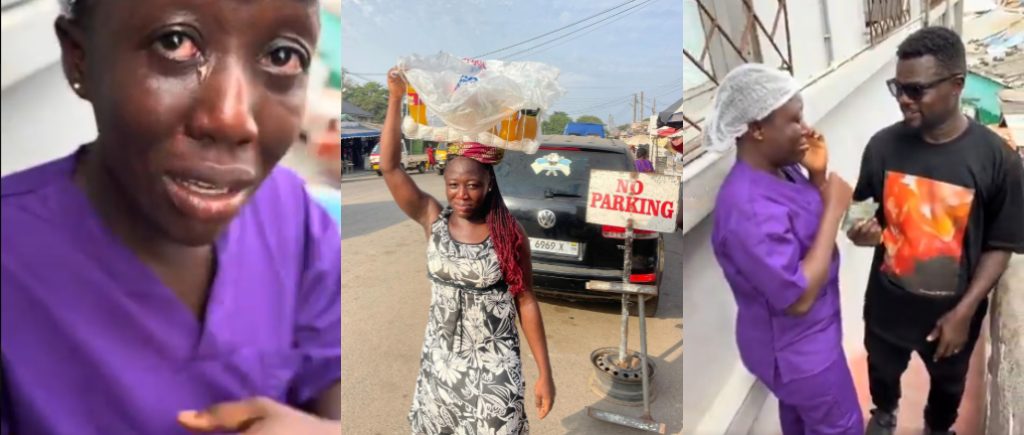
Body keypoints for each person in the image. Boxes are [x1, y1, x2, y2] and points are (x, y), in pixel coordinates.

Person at [0, 1, 341, 434]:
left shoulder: (292, 216)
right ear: (79, 57)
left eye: (281, 55)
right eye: (175, 43)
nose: (233, 118)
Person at [847, 26, 1024, 435]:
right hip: (887, 311)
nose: (904, 100)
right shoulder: (882, 147)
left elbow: (1002, 243)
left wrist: (964, 312)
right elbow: (859, 212)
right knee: (883, 375)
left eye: (916, 90)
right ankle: (886, 413)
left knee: (947, 391)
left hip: (953, 318)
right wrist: (858, 231)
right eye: (897, 88)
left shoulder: (998, 160)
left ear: (957, 85)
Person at [381, 68, 554, 435]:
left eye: (473, 184)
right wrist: (396, 98)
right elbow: (392, 167)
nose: (462, 194)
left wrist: (545, 373)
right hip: (441, 365)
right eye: (454, 184)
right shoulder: (433, 220)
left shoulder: (510, 234)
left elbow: (525, 300)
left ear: (489, 184)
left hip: (495, 369)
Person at [707, 63, 863, 434]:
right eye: (794, 119)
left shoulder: (783, 170)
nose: (807, 129)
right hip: (800, 354)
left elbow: (804, 224)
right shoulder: (748, 208)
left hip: (808, 341)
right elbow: (797, 298)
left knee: (801, 424)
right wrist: (834, 209)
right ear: (757, 129)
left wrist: (819, 176)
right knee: (842, 427)